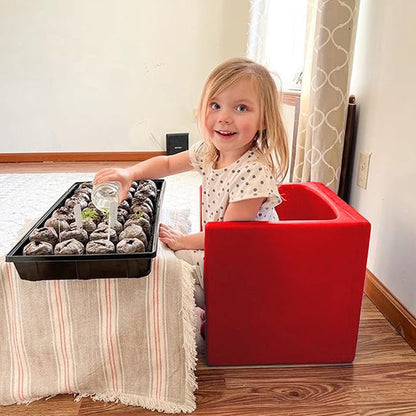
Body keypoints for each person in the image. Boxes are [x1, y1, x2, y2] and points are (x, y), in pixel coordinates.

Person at [94, 57, 289, 309]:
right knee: (163, 267)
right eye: (215, 105)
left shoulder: (254, 172)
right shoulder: (210, 152)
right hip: (221, 253)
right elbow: (167, 164)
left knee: (167, 288)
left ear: (264, 120)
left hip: (247, 272)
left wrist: (183, 241)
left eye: (241, 108)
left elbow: (228, 237)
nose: (224, 117)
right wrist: (129, 174)